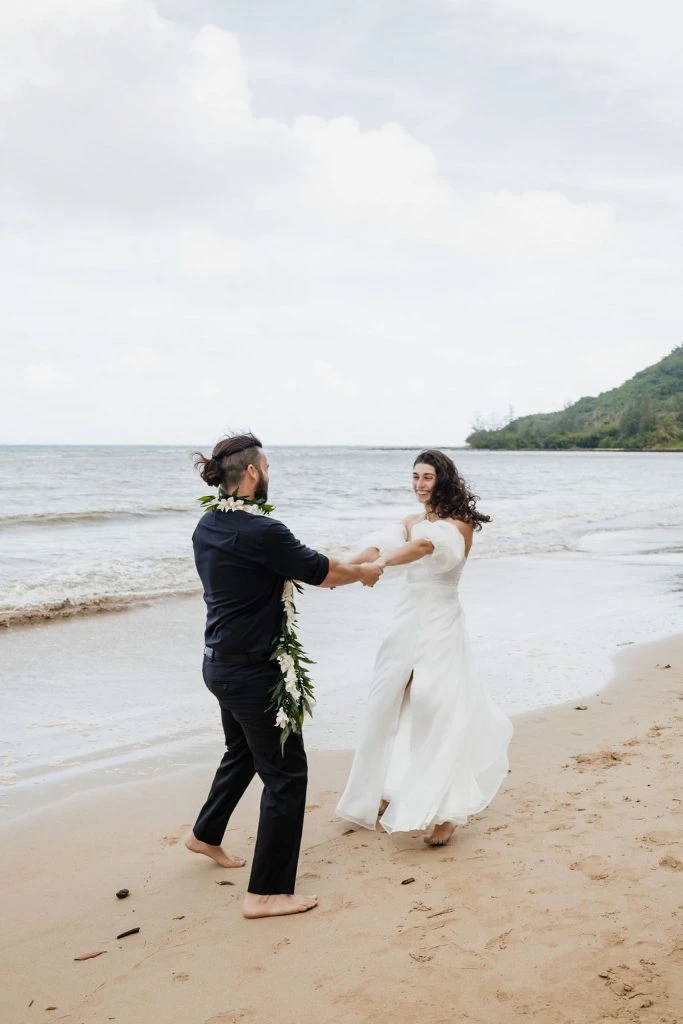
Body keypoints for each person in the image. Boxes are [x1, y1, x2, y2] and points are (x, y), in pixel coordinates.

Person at [187, 433, 383, 919]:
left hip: (218, 664)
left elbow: (305, 565)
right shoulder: (264, 532)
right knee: (286, 776)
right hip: (256, 675)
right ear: (253, 472)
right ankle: (266, 894)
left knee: (242, 753)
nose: (269, 473)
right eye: (267, 466)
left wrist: (354, 564)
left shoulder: (208, 524)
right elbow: (324, 573)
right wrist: (365, 571)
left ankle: (204, 834)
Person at [336, 449, 512, 845]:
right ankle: (381, 790)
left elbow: (421, 549)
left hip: (441, 621)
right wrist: (342, 569)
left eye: (427, 477)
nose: (419, 484)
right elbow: (378, 548)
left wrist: (378, 568)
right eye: (415, 476)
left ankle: (447, 811)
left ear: (443, 479)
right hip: (406, 620)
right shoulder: (410, 521)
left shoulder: (458, 525)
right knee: (386, 702)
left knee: (434, 704)